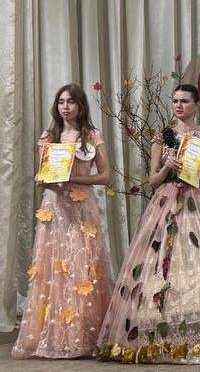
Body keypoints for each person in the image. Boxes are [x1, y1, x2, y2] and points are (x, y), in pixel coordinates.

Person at [98, 84, 200, 363]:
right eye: (175, 100)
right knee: (161, 268)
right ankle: (163, 337)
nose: (178, 105)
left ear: (196, 104)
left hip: (199, 200)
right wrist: (167, 167)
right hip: (167, 201)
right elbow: (153, 180)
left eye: (184, 101)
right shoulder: (163, 135)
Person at [14, 84, 113, 359]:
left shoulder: (92, 135)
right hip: (55, 207)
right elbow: (45, 174)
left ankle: (84, 334)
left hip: (81, 208)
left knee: (82, 267)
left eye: (70, 102)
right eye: (61, 102)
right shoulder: (49, 137)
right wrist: (43, 179)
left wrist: (73, 178)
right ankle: (57, 336)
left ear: (81, 105)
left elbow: (105, 176)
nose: (65, 107)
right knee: (55, 268)